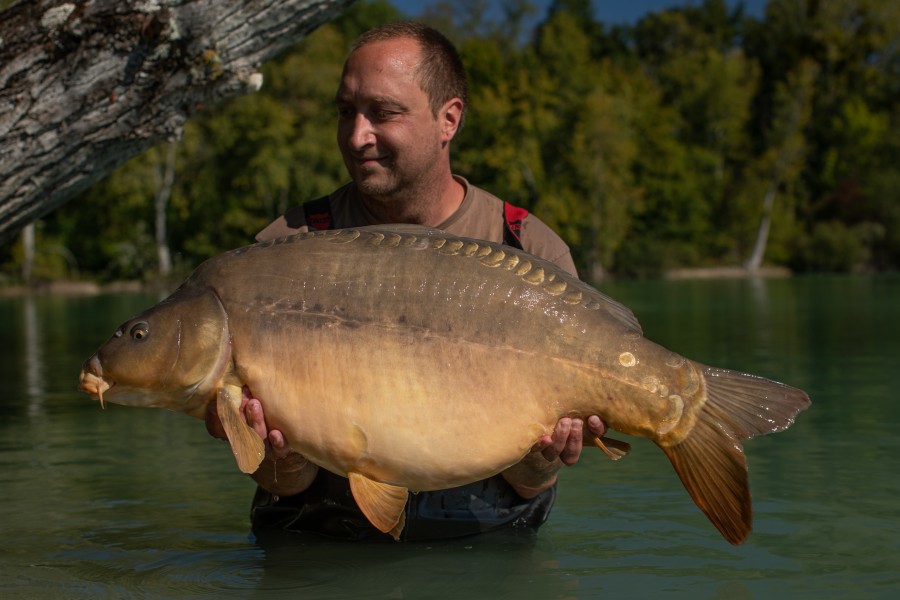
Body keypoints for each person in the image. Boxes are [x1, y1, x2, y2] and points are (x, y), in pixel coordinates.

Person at [205, 20, 607, 541]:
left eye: (383, 113)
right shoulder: (286, 248)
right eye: (346, 112)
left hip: (482, 552)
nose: (356, 136)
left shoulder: (527, 250)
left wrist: (540, 459)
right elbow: (287, 483)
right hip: (325, 549)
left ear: (449, 120)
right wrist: (275, 454)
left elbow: (531, 487)